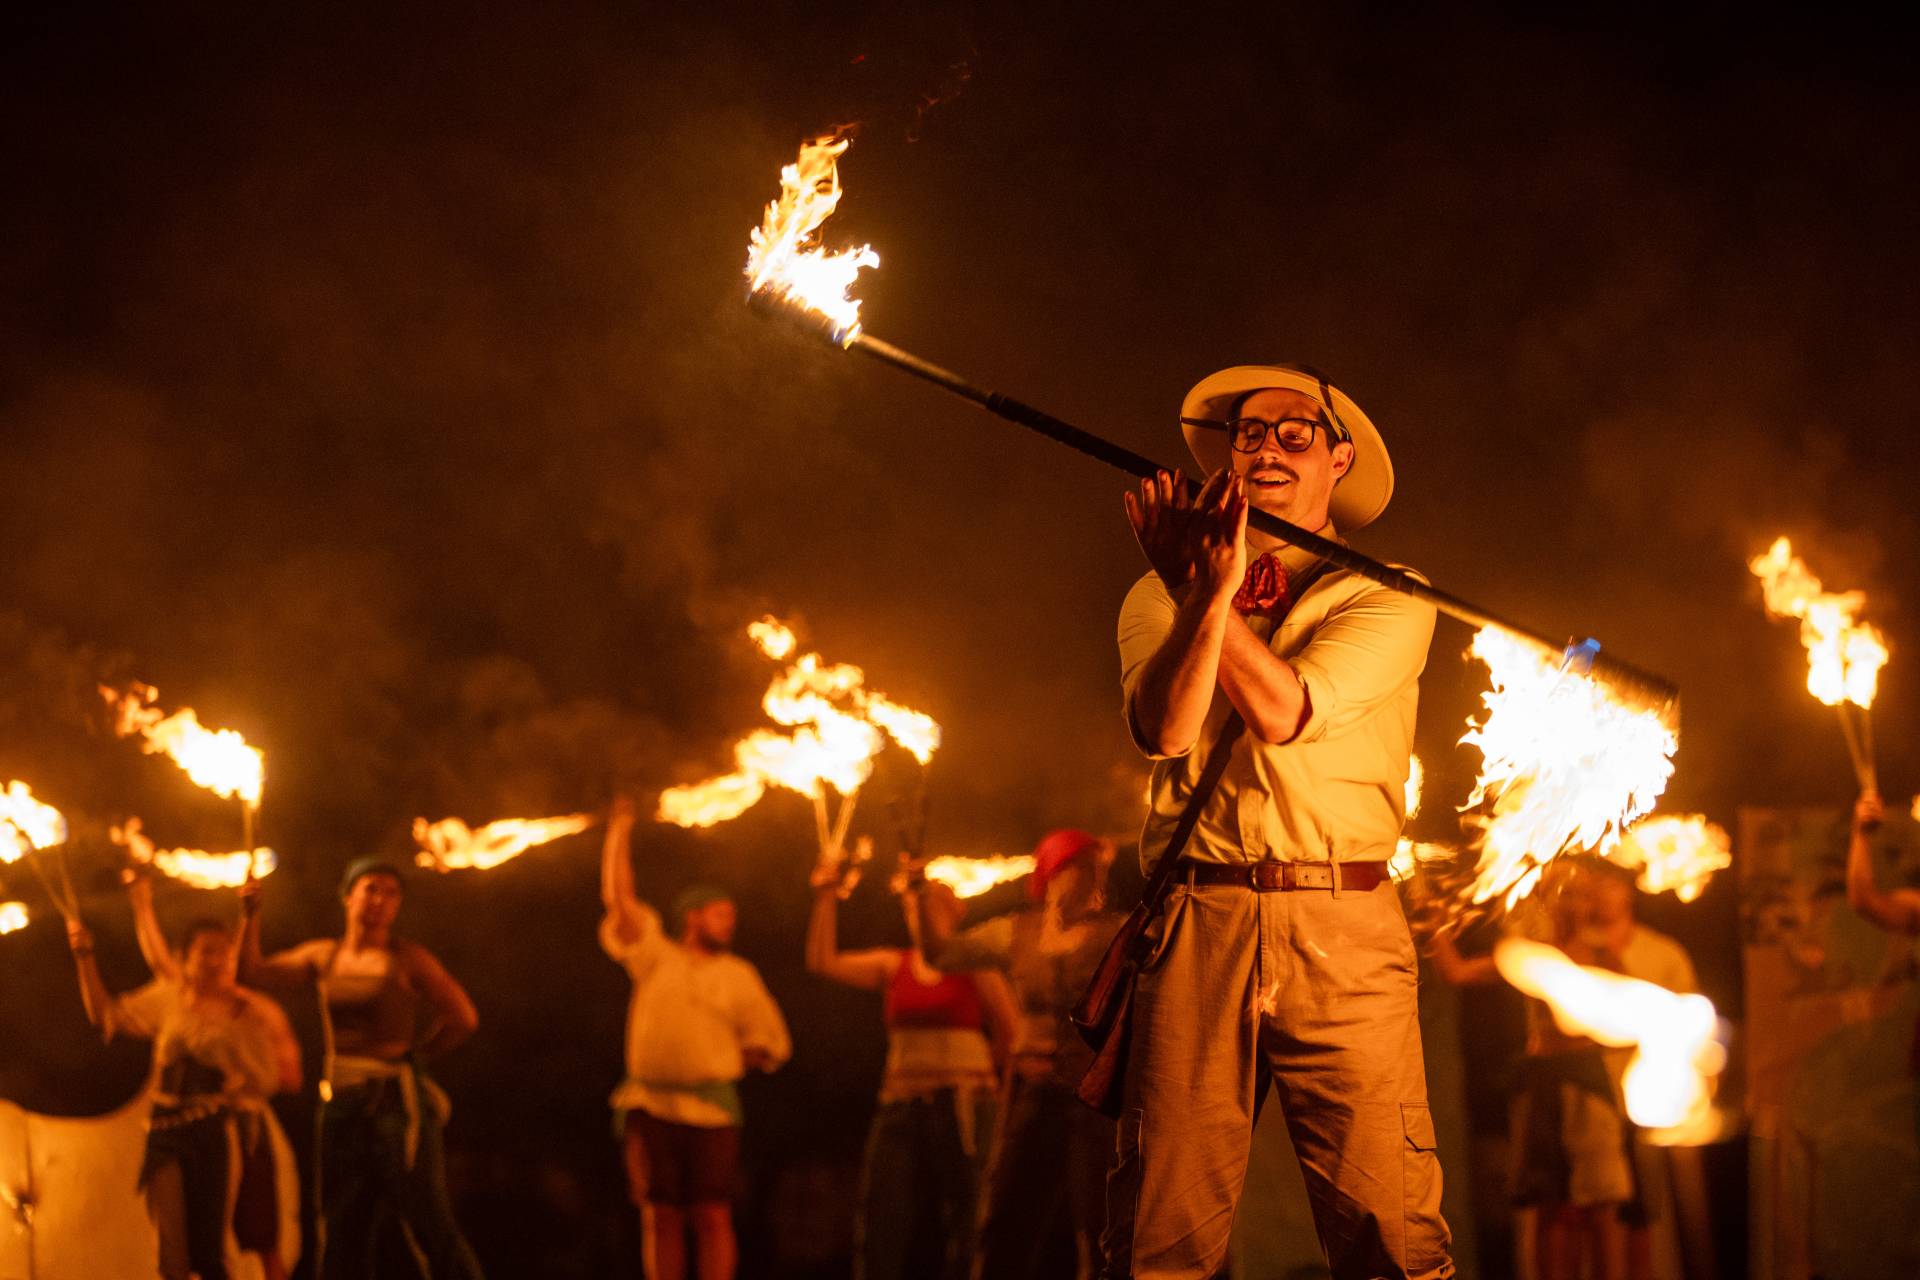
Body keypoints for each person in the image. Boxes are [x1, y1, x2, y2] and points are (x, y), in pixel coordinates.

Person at [1109, 365, 1450, 1279]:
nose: (1263, 448)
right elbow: (1166, 729)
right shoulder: (1157, 593)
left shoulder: (1389, 591)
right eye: (1247, 435)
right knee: (1158, 1237)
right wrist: (1199, 592)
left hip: (1342, 922)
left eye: (1292, 433)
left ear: (1338, 459)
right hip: (1197, 921)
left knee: (1392, 1230)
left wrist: (1206, 592)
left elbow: (1288, 712)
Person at [1428, 860, 1704, 1280]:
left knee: (1601, 1206)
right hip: (1541, 1088)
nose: (1568, 902)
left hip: (1589, 1088)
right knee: (1548, 1206)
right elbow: (1457, 972)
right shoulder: (1531, 956)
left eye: (1577, 893)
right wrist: (1433, 921)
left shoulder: (1599, 955)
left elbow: (1641, 1021)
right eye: (1559, 892)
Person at [239, 858, 485, 1280]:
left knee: (428, 1219)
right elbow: (251, 972)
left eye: (391, 893)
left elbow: (463, 1017)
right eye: (371, 888)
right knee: (341, 1224)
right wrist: (250, 916)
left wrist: (415, 1058)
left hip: (393, 1104)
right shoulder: (324, 955)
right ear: (348, 896)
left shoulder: (408, 959)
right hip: (341, 1102)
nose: (380, 900)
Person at [67, 873, 302, 1280]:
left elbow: (269, 1079)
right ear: (185, 959)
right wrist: (84, 957)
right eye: (206, 952)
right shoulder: (169, 998)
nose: (217, 961)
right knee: (172, 1259)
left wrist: (236, 1081)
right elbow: (103, 1015)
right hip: (164, 1132)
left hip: (215, 1134)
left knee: (210, 1255)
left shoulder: (247, 1014)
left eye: (225, 954)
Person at [917, 828, 1124, 1280]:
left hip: (1095, 1097)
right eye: (1082, 868)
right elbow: (940, 954)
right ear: (1052, 874)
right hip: (1032, 1094)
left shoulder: (1119, 932)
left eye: (1098, 870)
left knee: (1102, 1224)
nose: (1095, 879)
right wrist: (917, 894)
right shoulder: (1016, 931)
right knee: (1007, 1217)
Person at [601, 796, 792, 1280]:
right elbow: (619, 900)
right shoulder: (654, 957)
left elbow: (768, 1040)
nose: (729, 922)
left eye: (731, 915)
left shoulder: (739, 974)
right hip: (650, 1104)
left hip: (710, 1109)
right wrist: (621, 828)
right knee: (659, 1214)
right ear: (692, 917)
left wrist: (717, 1062)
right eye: (720, 913)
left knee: (712, 1214)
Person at [804, 848, 1016, 1280]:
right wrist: (826, 897)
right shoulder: (891, 963)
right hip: (901, 1105)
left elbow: (1011, 1035)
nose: (913, 908)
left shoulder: (974, 962)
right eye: (908, 902)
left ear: (948, 910)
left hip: (965, 1106)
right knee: (883, 1210)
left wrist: (994, 1092)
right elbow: (822, 960)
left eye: (924, 900)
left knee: (969, 1213)